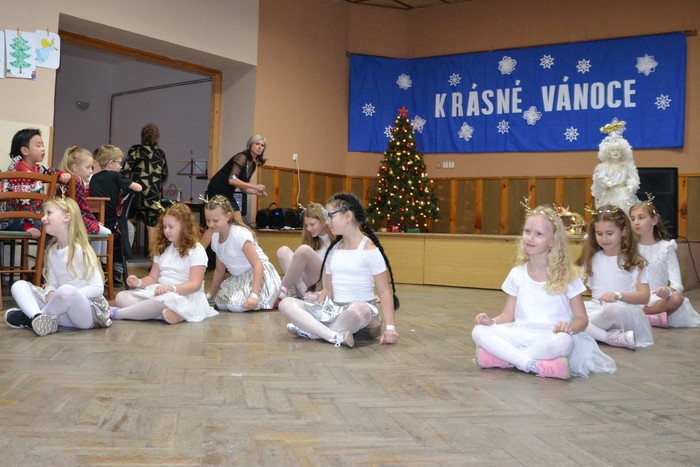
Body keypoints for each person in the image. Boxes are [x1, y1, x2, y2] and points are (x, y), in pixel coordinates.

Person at [472, 205, 616, 379]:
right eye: (527, 231)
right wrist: (492, 321)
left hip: (551, 336)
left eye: (538, 234)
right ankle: (531, 363)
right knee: (479, 331)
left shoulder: (568, 276)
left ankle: (506, 358)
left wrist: (569, 327)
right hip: (521, 332)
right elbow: (508, 315)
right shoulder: (517, 273)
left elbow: (582, 319)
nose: (530, 238)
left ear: (552, 241)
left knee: (564, 341)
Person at [278, 192, 399, 348]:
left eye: (330, 216)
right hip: (335, 310)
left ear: (348, 216)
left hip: (361, 315)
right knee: (286, 304)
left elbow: (384, 291)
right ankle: (333, 336)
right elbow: (328, 290)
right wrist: (315, 303)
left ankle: (310, 330)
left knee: (358, 310)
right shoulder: (333, 250)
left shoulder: (369, 249)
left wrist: (390, 328)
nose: (327, 222)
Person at [3, 197, 111, 336]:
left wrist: (62, 297)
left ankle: (34, 317)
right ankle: (38, 317)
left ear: (67, 218)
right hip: (61, 313)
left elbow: (97, 288)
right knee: (19, 285)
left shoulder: (82, 250)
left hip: (85, 313)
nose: (43, 218)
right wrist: (50, 292)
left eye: (49, 213)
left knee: (66, 290)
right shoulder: (52, 251)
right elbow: (52, 284)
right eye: (44, 214)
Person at [110, 203, 217, 324]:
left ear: (184, 226)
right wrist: (139, 282)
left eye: (171, 227)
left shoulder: (196, 250)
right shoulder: (162, 248)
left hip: (184, 295)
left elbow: (195, 284)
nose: (167, 231)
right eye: (165, 227)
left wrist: (171, 288)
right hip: (160, 292)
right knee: (121, 297)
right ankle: (166, 313)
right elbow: (153, 278)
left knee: (167, 299)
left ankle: (118, 314)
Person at [578, 204, 653, 349]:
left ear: (624, 231)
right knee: (567, 315)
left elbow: (644, 297)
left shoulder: (634, 261)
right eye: (599, 234)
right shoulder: (591, 259)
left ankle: (591, 331)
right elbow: (578, 287)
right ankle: (610, 337)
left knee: (612, 309)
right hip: (597, 310)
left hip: (622, 311)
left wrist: (618, 296)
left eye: (610, 233)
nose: (604, 238)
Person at [629, 200, 700, 328]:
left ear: (654, 220)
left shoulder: (666, 248)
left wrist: (667, 290)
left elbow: (677, 284)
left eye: (641, 217)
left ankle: (644, 315)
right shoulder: (629, 249)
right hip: (636, 297)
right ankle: (650, 317)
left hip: (657, 299)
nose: (636, 222)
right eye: (632, 219)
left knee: (677, 297)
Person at [204, 195, 281, 311]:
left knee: (235, 306)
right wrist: (211, 295)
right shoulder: (215, 237)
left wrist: (254, 295)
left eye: (215, 221)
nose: (210, 225)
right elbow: (219, 270)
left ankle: (275, 297)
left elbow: (258, 265)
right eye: (208, 220)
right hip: (240, 278)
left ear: (228, 216)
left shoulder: (239, 234)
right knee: (221, 304)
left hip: (260, 275)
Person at [0, 128, 71, 236]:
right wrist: (27, 226)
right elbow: (22, 204)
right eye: (38, 146)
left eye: (43, 145)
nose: (43, 149)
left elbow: (50, 171)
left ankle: (53, 247)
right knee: (52, 227)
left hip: (33, 217)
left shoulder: (37, 168)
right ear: (25, 151)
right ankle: (51, 247)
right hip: (14, 219)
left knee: (56, 224)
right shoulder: (18, 172)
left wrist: (61, 174)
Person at [201, 134, 268, 248]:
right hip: (217, 189)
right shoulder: (242, 157)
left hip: (228, 193)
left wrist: (255, 192)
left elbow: (242, 187)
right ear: (250, 145)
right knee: (215, 225)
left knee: (239, 225)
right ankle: (199, 251)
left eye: (262, 145)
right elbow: (232, 180)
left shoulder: (252, 165)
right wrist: (255, 186)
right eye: (257, 144)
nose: (260, 147)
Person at [90, 145, 143, 285]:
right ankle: (118, 269)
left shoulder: (93, 178)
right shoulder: (115, 176)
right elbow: (138, 188)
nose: (121, 167)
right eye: (119, 163)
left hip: (97, 222)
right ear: (110, 163)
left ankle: (99, 268)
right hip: (113, 223)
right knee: (127, 228)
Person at [274, 202, 334, 305]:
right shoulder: (313, 241)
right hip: (307, 287)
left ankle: (283, 288)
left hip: (325, 283)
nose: (309, 229)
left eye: (312, 224)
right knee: (283, 251)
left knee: (304, 250)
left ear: (323, 221)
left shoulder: (336, 238)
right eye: (306, 225)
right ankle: (304, 296)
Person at [59, 145, 112, 258]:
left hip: (67, 219)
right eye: (88, 167)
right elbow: (82, 207)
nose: (91, 171)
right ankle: (96, 260)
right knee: (106, 232)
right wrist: (94, 221)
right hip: (76, 219)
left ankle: (96, 260)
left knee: (100, 230)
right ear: (75, 167)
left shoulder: (66, 179)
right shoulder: (77, 181)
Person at [122, 123, 169, 241]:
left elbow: (125, 169)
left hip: (137, 193)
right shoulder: (160, 153)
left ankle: (127, 249)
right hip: (153, 194)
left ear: (142, 136)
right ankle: (152, 252)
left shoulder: (135, 149)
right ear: (157, 138)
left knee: (128, 220)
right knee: (152, 226)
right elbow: (164, 174)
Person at [590, 121, 640, 212]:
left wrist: (631, 185)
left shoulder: (627, 166)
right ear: (607, 152)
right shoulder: (603, 167)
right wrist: (606, 182)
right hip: (610, 195)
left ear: (623, 152)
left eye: (618, 150)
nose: (615, 152)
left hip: (624, 195)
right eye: (612, 150)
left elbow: (633, 178)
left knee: (626, 212)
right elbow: (600, 178)